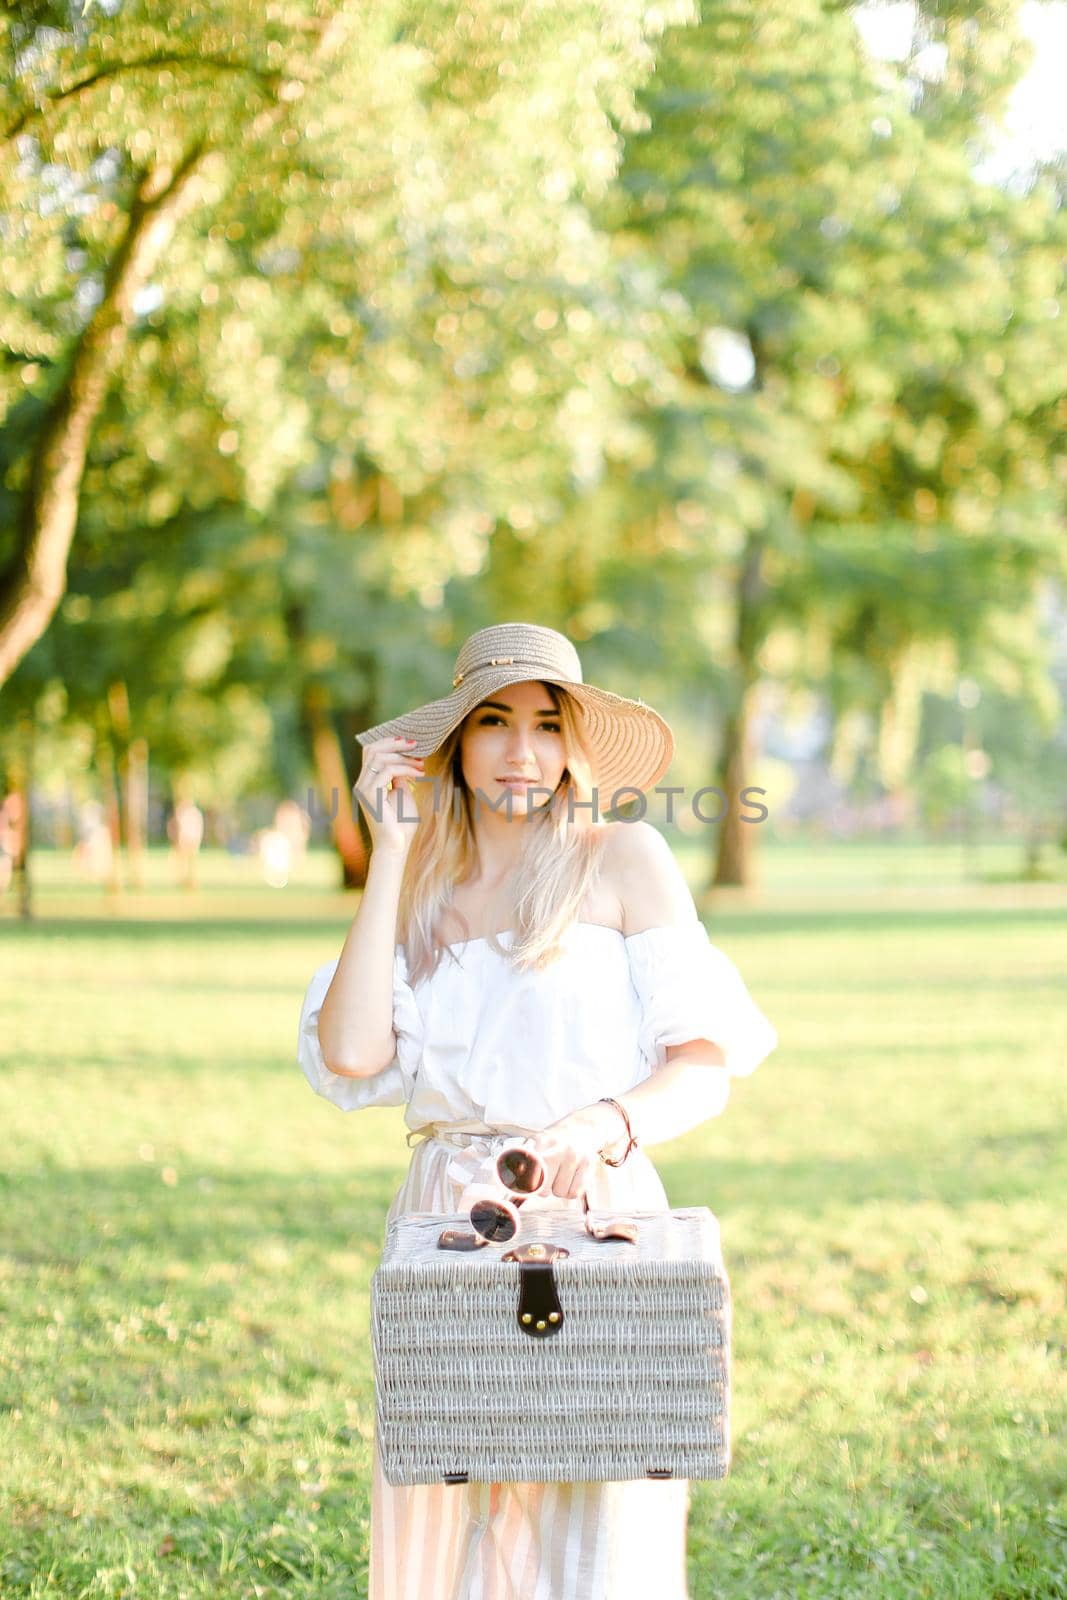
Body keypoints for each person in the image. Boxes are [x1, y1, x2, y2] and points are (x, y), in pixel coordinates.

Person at [296, 621, 778, 1600]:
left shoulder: (621, 859)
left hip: (591, 1203)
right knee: (449, 1498)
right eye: (493, 722)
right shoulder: (420, 885)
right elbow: (350, 1051)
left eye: (547, 724)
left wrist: (603, 1121)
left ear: (571, 748)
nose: (521, 751)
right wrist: (391, 851)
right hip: (448, 1218)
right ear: (456, 745)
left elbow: (702, 1063)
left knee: (595, 1506)